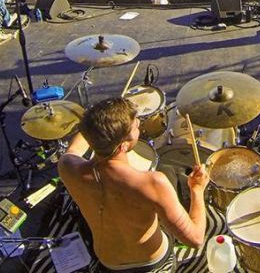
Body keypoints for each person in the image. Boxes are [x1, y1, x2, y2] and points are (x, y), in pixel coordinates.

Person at [58, 98, 210, 272]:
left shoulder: (68, 168)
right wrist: (197, 190)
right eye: (135, 126)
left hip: (108, 264)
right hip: (151, 265)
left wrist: (102, 122)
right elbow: (195, 239)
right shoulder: (152, 184)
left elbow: (75, 147)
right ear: (123, 145)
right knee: (171, 176)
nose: (138, 123)